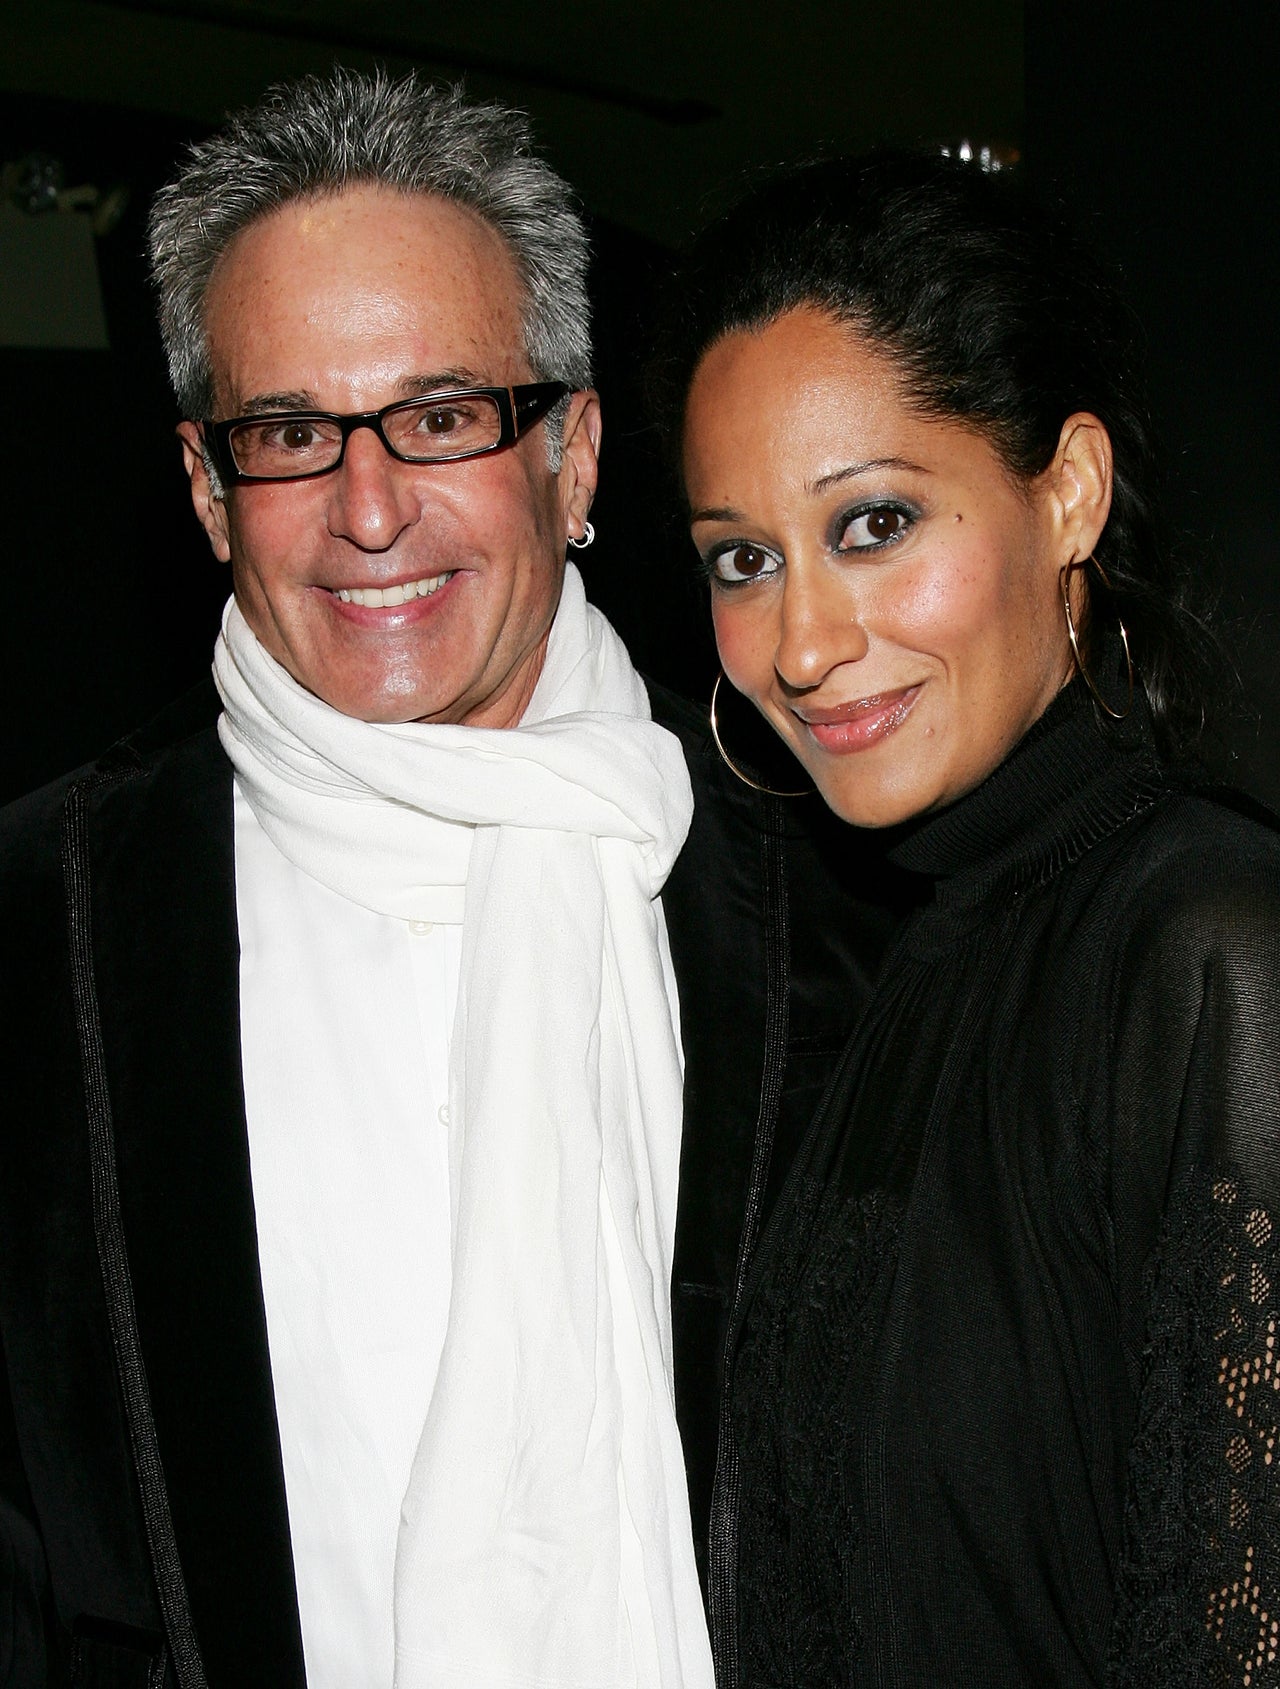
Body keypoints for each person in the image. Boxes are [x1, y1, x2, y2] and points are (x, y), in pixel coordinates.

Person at [0, 73, 896, 1688]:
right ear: (208, 490)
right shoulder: (33, 916)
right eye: (289, 432)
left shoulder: (833, 898)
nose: (367, 509)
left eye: (440, 416)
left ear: (573, 451)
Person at [653, 150, 1280, 1688]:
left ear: (1066, 490)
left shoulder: (1209, 948)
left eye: (871, 524)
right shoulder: (892, 971)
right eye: (745, 559)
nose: (801, 643)